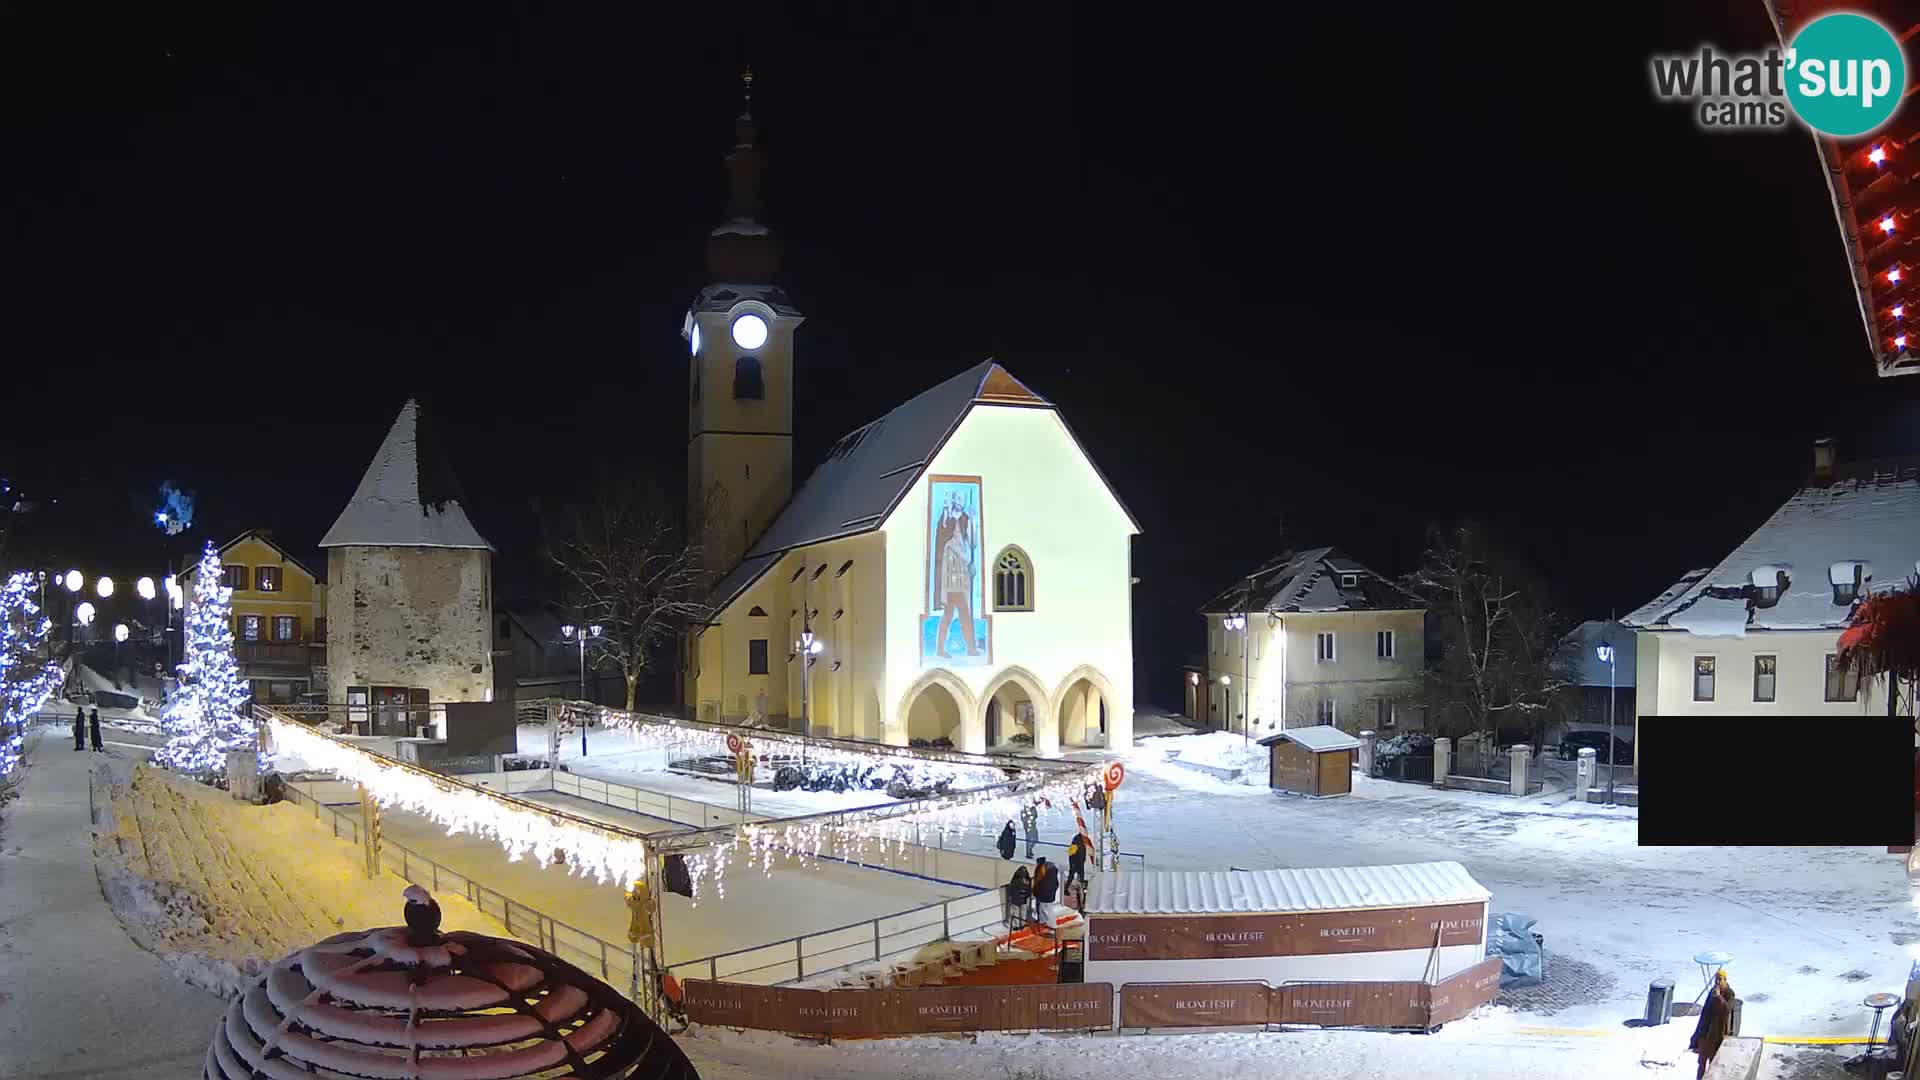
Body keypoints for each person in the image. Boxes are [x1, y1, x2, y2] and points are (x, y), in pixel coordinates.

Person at [1689, 969, 1737, 1079]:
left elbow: (1727, 1009)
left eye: (1720, 979)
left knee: (1713, 1064)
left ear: (1725, 980)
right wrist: (1698, 1033)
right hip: (1705, 1033)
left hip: (1717, 1035)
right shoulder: (1712, 992)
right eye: (1716, 979)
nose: (1717, 982)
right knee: (1701, 1063)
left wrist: (1719, 997)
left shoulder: (1729, 993)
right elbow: (1705, 1012)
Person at [1031, 857, 1059, 923]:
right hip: (1049, 894)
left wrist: (1036, 891)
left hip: (1044, 895)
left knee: (1045, 910)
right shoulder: (1052, 872)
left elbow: (1039, 882)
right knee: (1046, 910)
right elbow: (1056, 884)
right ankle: (1046, 924)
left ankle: (1048, 925)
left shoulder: (1042, 870)